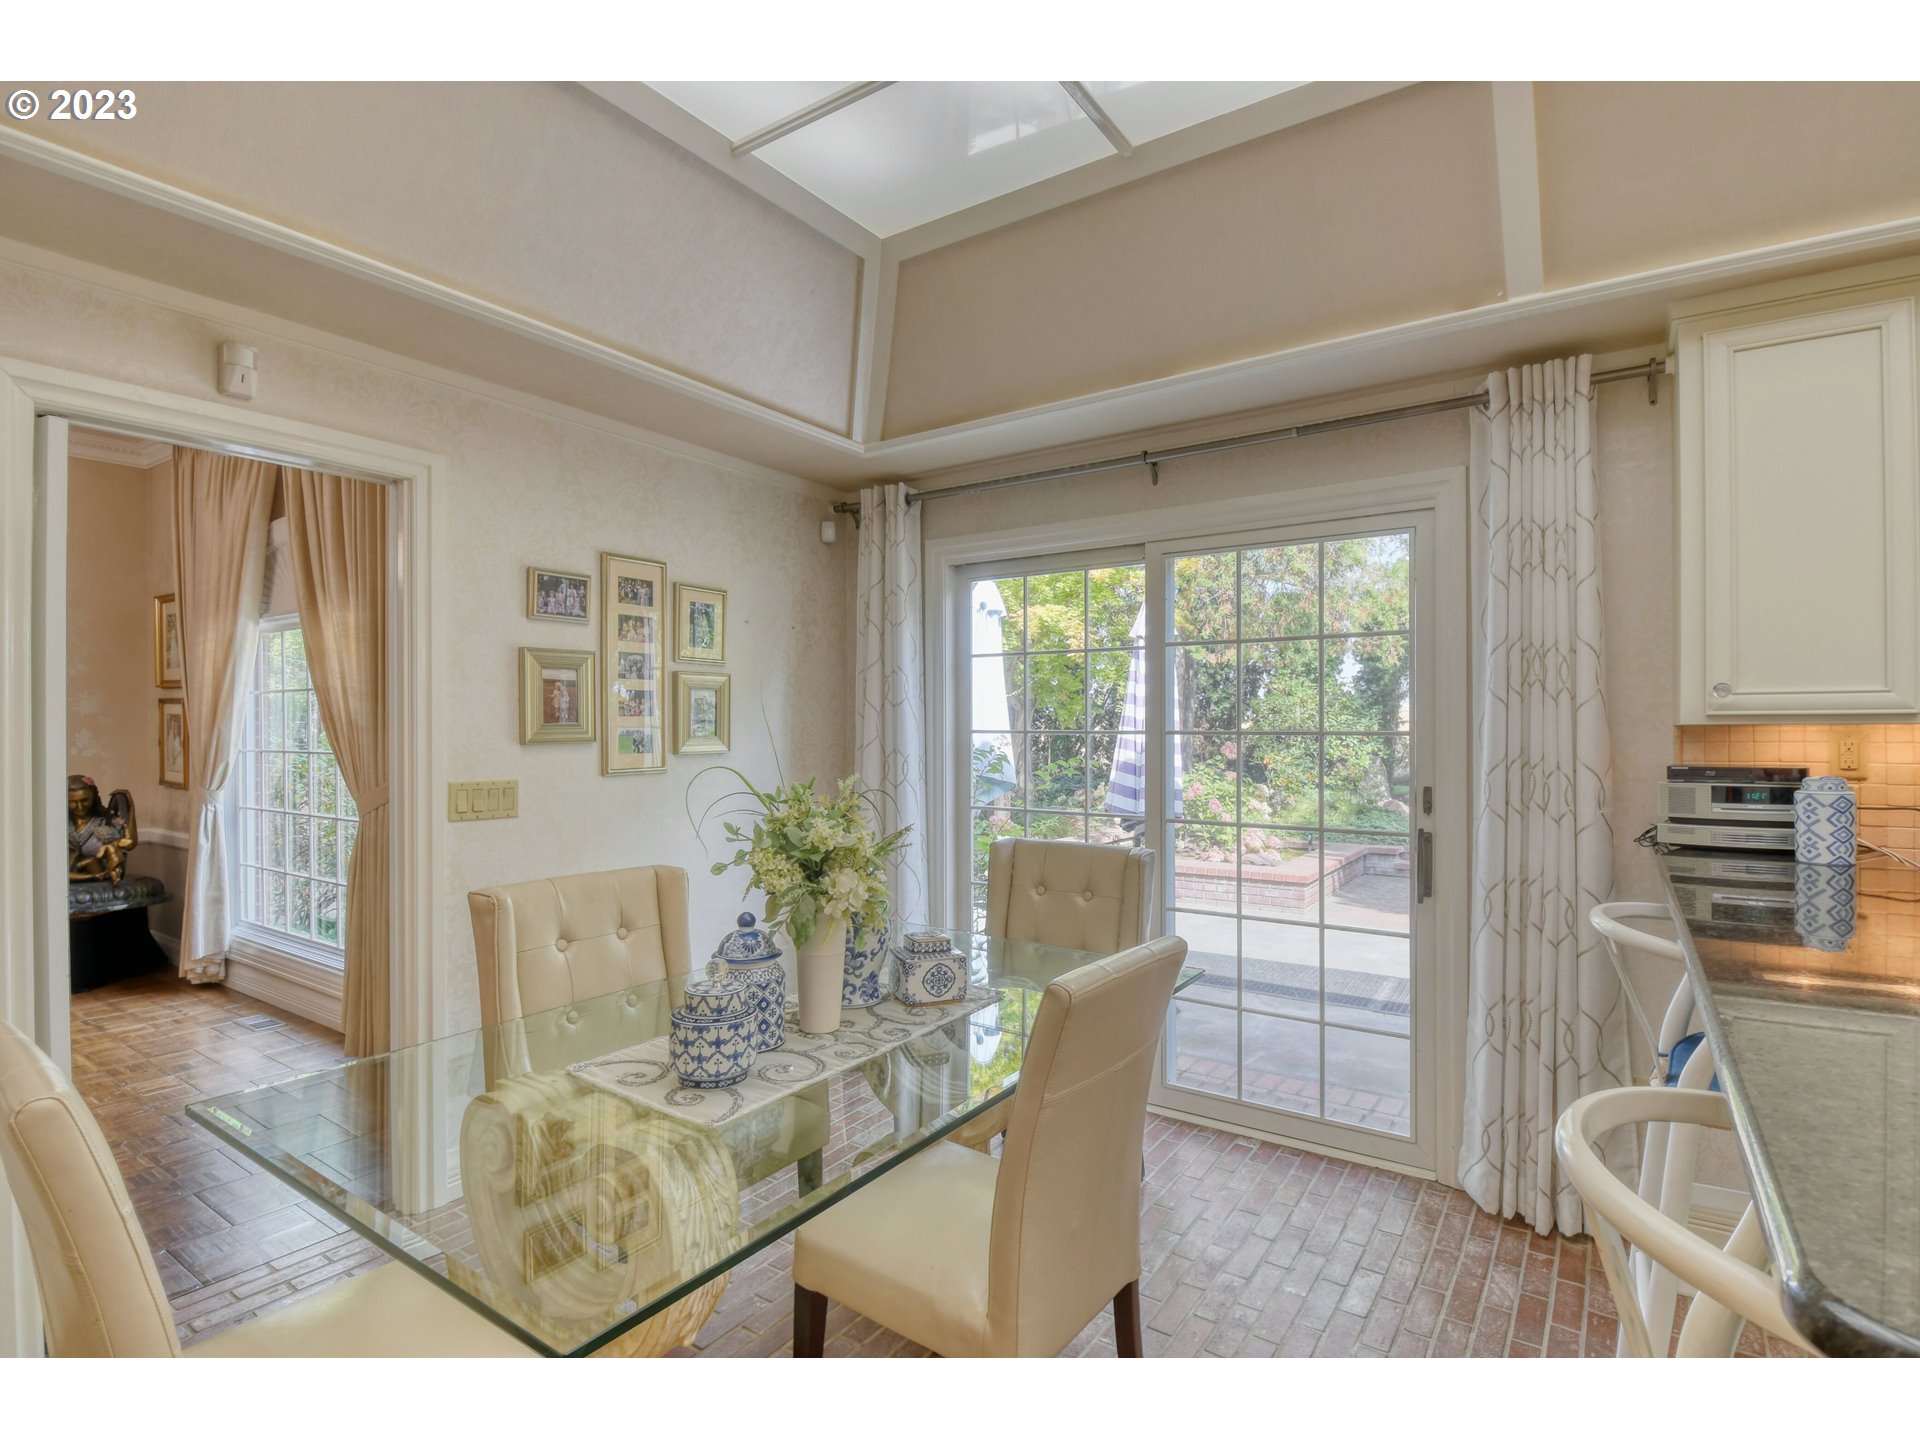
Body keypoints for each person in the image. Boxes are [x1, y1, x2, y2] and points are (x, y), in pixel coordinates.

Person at [68, 774, 138, 885]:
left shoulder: (106, 822)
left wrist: (131, 810)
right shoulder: (58, 824)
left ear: (94, 798)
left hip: (101, 878)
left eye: (85, 800)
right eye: (73, 802)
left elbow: (130, 843)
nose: (80, 806)